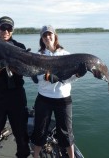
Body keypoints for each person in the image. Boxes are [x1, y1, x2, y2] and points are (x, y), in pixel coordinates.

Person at [31, 25, 87, 158]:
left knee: (66, 132)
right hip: (44, 98)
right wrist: (50, 77)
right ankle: (35, 155)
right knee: (40, 130)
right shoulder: (38, 56)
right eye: (44, 35)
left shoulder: (66, 55)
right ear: (41, 39)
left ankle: (72, 156)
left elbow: (70, 78)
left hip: (63, 99)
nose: (47, 37)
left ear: (55, 36)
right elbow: (37, 78)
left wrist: (78, 75)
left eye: (49, 34)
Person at [0, 16, 30, 158]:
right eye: (3, 27)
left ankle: (23, 154)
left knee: (21, 132)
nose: (6, 31)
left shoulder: (20, 47)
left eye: (9, 28)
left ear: (12, 31)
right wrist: (2, 64)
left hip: (17, 95)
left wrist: (13, 65)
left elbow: (23, 71)